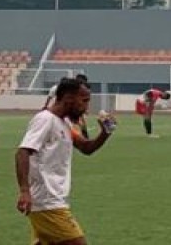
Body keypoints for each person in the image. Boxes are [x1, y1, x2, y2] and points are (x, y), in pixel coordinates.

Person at [16, 78, 115, 245]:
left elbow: (86, 147)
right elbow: (23, 152)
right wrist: (24, 191)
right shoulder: (45, 119)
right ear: (68, 98)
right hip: (47, 201)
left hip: (54, 199)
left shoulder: (65, 123)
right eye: (84, 101)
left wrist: (105, 133)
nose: (86, 107)